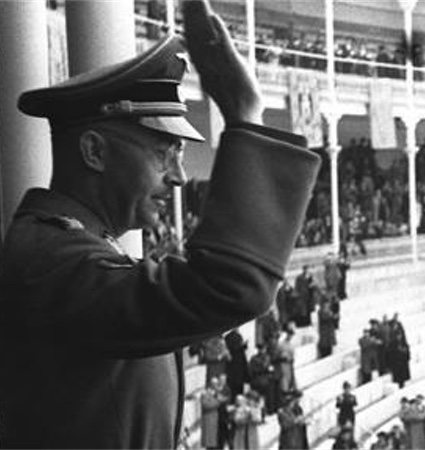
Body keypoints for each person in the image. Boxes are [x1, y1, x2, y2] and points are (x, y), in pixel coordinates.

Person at [0, 2, 320, 447]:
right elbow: (230, 285)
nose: (179, 177)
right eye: (162, 152)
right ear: (94, 152)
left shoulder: (67, 245)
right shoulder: (48, 260)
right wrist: (244, 113)